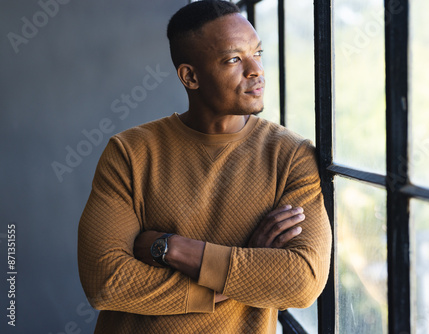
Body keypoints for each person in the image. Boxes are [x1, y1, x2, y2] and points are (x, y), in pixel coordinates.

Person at [78, 1, 332, 333]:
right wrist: (244, 268)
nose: (256, 70)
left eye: (258, 53)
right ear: (191, 76)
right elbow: (106, 283)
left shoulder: (291, 155)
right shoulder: (129, 152)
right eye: (234, 59)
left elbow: (302, 281)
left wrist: (171, 248)